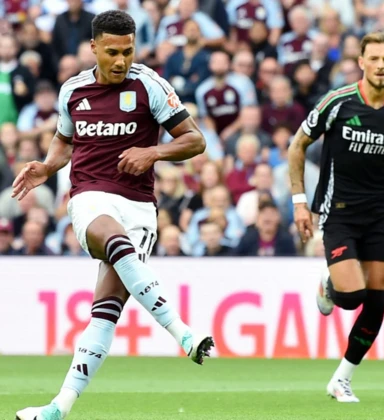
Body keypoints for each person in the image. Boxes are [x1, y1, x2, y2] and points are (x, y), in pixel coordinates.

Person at [13, 11, 213, 420]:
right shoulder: (74, 91)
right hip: (90, 197)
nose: (120, 60)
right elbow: (63, 139)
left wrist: (154, 151)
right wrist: (49, 167)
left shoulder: (150, 85)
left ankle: (58, 408)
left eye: (127, 51)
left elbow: (196, 140)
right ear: (94, 49)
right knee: (115, 243)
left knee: (105, 312)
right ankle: (184, 332)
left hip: (139, 206)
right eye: (111, 52)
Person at [288, 30, 384, 403]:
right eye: (373, 59)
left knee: (378, 299)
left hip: (380, 211)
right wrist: (300, 201)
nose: (380, 66)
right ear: (361, 62)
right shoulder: (338, 102)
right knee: (351, 298)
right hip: (339, 211)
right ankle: (330, 283)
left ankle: (342, 379)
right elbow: (297, 145)